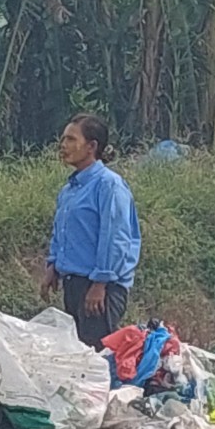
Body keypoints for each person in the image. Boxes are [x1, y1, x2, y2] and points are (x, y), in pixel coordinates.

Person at [40, 114, 142, 348]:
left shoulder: (109, 186)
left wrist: (100, 284)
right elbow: (62, 230)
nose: (63, 146)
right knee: (75, 356)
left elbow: (114, 238)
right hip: (73, 284)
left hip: (99, 289)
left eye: (71, 139)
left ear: (92, 146)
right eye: (63, 139)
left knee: (95, 359)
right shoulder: (70, 189)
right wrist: (52, 265)